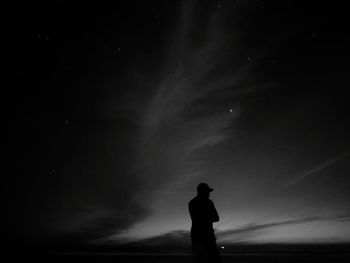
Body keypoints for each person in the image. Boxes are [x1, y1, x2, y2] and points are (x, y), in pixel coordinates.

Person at [188, 183, 220, 263]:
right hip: (204, 238)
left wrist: (205, 217)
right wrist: (208, 216)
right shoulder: (207, 203)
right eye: (207, 192)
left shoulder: (192, 203)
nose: (209, 194)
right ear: (202, 192)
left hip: (200, 237)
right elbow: (215, 218)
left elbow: (216, 218)